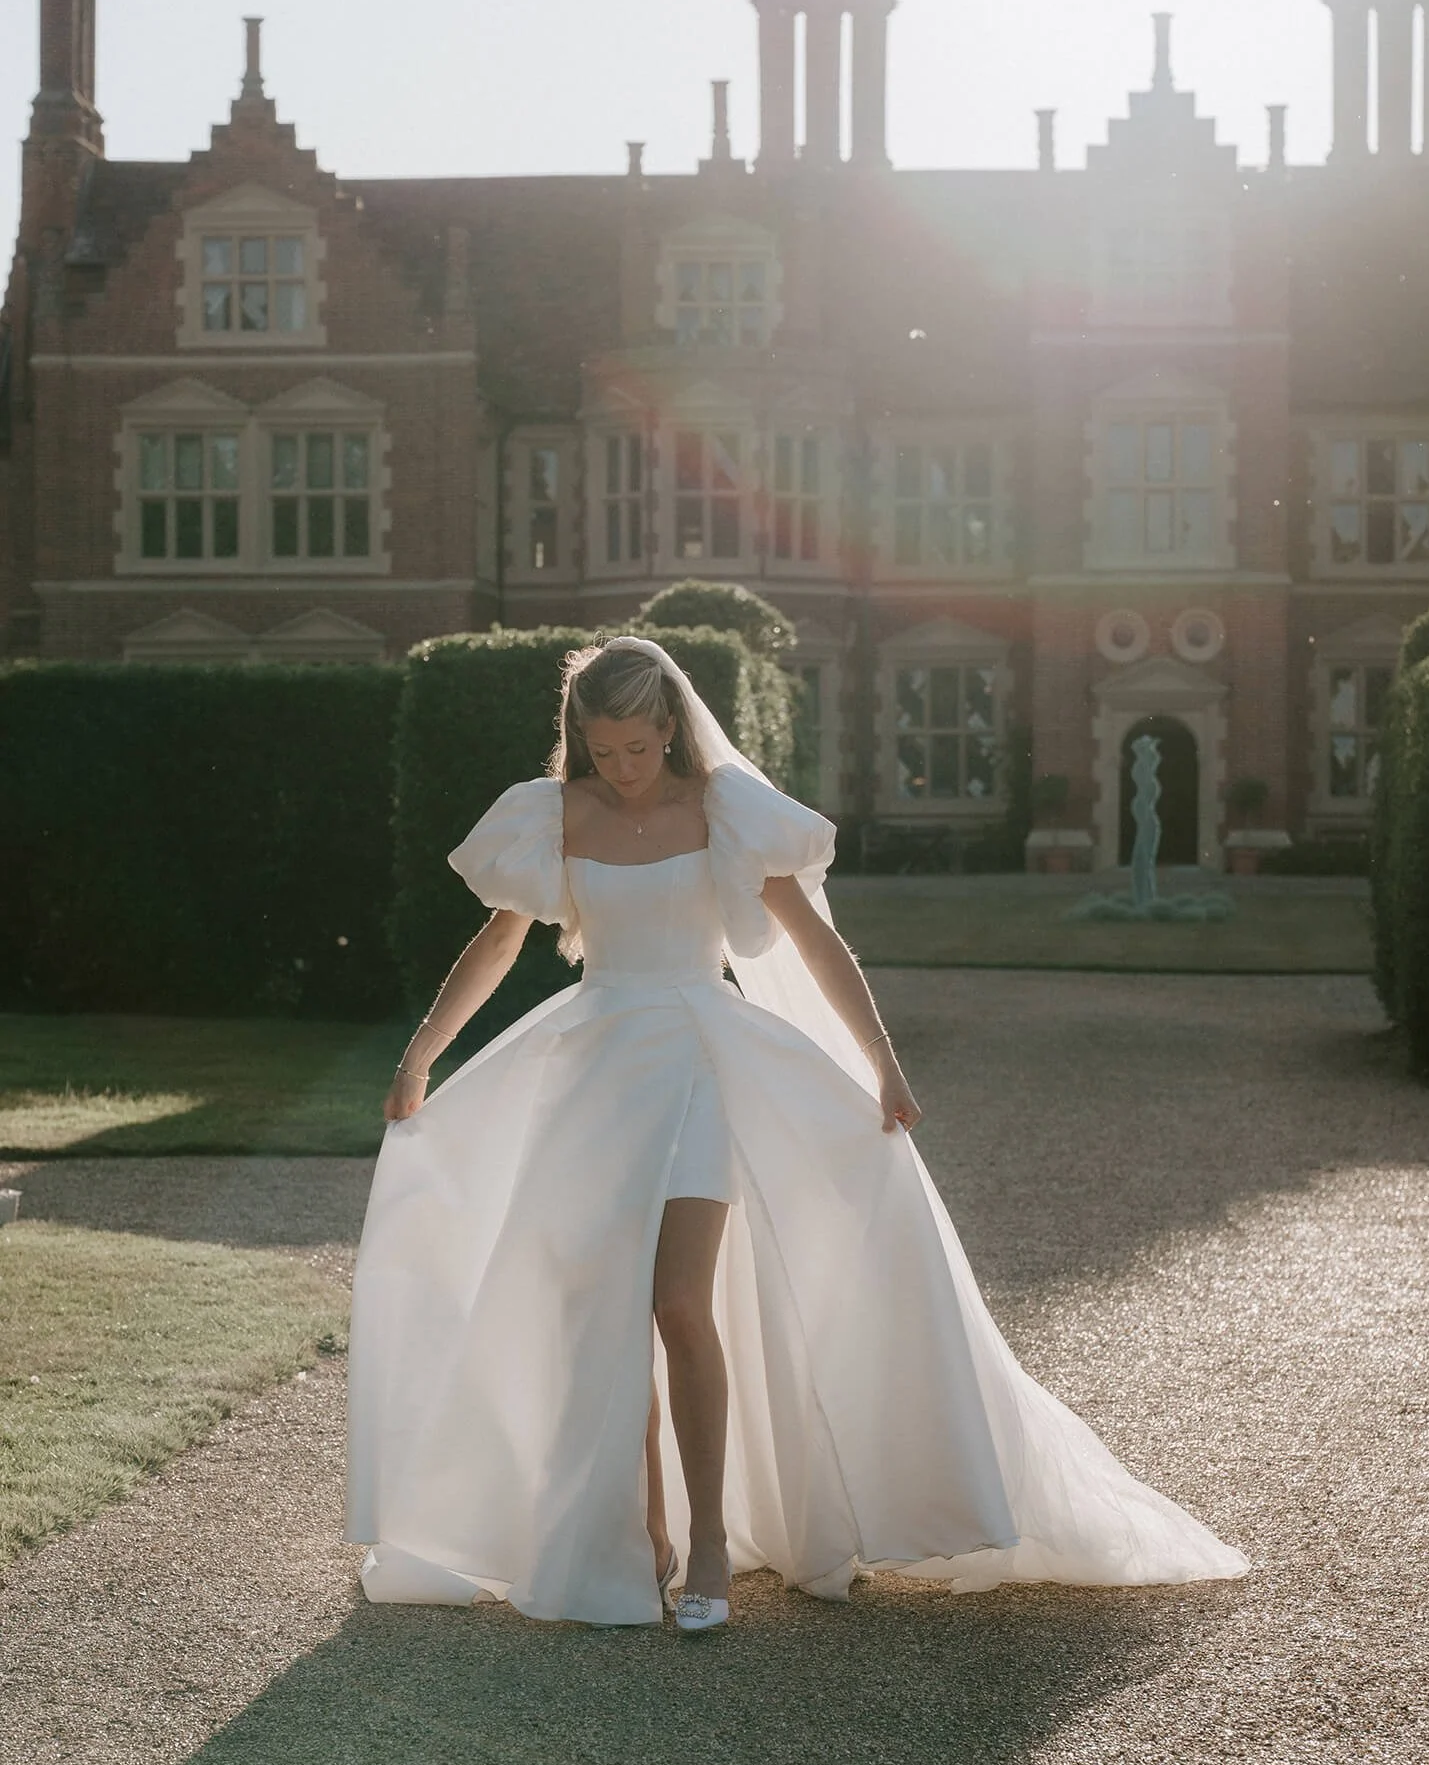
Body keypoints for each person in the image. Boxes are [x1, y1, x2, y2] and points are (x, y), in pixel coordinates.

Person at [345, 637, 1246, 1632]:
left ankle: (717, 1550)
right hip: (592, 1076)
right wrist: (423, 1054)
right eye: (603, 752)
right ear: (582, 741)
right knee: (599, 1317)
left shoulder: (724, 814)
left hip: (700, 1064)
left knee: (682, 1304)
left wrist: (883, 1063)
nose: (623, 769)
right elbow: (500, 939)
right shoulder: (554, 818)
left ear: (670, 731)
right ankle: (642, 1533)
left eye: (639, 749)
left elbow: (815, 943)